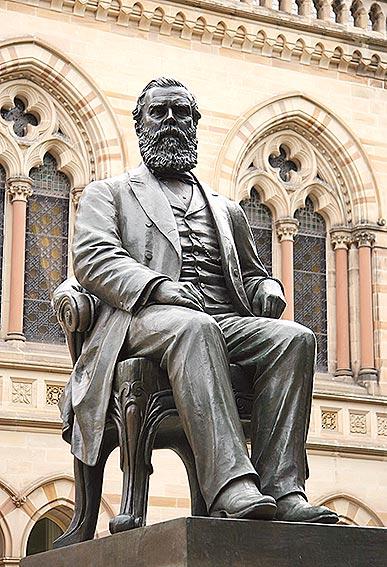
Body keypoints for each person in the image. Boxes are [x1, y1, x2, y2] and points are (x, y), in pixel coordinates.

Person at [65, 77, 338, 524]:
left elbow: (252, 275)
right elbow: (92, 258)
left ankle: (284, 488)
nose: (172, 121)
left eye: (182, 113)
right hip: (142, 321)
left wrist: (268, 290)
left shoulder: (225, 208)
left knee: (295, 339)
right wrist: (157, 287)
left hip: (221, 321)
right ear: (141, 124)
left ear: (195, 124)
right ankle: (231, 486)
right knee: (195, 327)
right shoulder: (109, 193)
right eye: (160, 112)